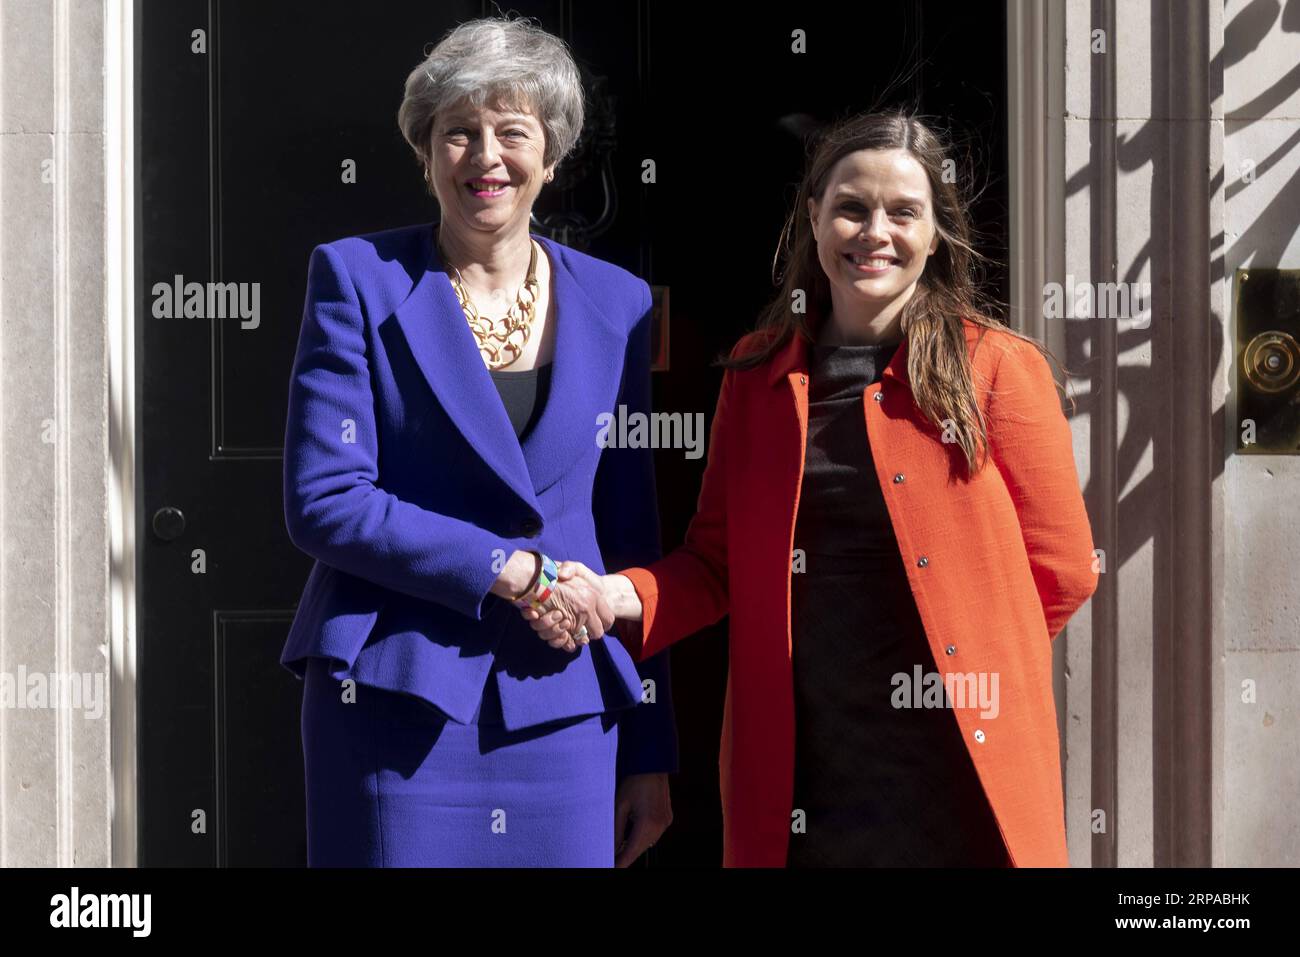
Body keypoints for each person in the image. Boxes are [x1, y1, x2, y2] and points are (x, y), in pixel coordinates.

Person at [528, 110, 1100, 867]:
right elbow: (714, 561)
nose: (875, 232)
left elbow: (1060, 571)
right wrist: (616, 595)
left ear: (935, 234)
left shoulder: (998, 368)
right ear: (814, 219)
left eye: (904, 212)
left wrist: (970, 651)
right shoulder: (757, 372)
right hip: (806, 770)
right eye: (852, 208)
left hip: (962, 762)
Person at [280, 15, 675, 867]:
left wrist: (648, 746)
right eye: (458, 132)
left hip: (563, 707)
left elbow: (631, 532)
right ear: (427, 152)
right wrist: (510, 569)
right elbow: (325, 501)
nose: (484, 156)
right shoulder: (358, 278)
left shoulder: (619, 304)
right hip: (397, 695)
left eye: (511, 132)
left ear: (553, 154)